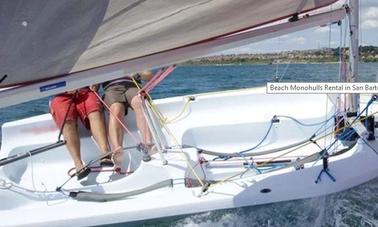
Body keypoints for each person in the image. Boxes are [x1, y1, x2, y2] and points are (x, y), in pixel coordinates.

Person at [50, 86, 112, 180]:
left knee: (94, 110)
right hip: (61, 94)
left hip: (85, 91)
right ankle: (78, 164)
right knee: (67, 120)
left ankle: (105, 152)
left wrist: (96, 84)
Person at [102, 70, 154, 169]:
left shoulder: (135, 58)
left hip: (132, 86)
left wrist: (137, 73)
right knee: (116, 109)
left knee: (139, 102)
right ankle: (117, 149)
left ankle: (149, 143)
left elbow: (149, 76)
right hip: (112, 88)